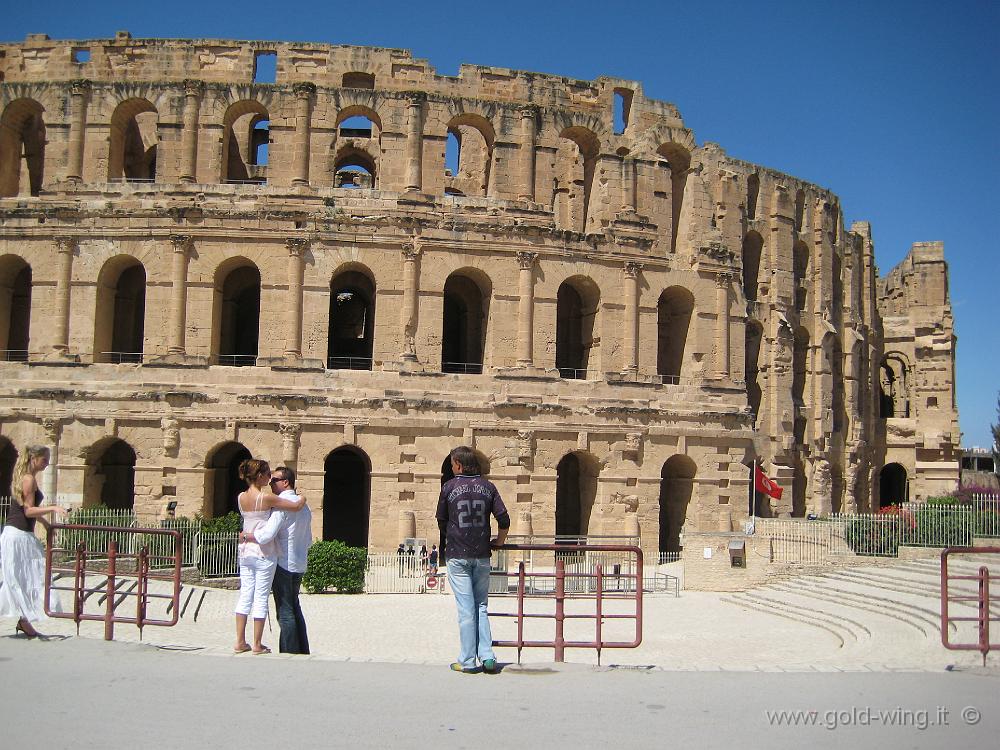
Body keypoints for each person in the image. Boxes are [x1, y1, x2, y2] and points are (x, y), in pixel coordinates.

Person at [436, 446, 509, 674]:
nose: (451, 468)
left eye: (452, 465)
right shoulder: (488, 487)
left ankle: (467, 661)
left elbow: (441, 519)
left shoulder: (448, 487)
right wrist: (499, 540)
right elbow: (504, 519)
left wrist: (451, 537)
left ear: (458, 464)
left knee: (466, 610)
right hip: (482, 554)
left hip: (458, 555)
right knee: (481, 606)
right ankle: (487, 656)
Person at [233, 458, 303, 655]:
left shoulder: (240, 497)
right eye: (267, 474)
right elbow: (295, 506)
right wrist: (303, 498)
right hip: (264, 551)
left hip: (246, 550)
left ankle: (239, 641)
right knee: (261, 596)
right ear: (260, 476)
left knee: (245, 594)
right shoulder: (266, 498)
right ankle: (256, 644)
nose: (270, 478)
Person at [0, 445, 68, 638]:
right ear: (34, 458)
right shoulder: (28, 479)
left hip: (20, 535)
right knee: (25, 578)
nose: (47, 463)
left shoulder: (27, 478)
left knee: (23, 579)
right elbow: (28, 510)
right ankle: (24, 621)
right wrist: (53, 508)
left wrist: (45, 523)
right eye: (44, 459)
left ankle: (24, 621)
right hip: (18, 536)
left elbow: (29, 509)